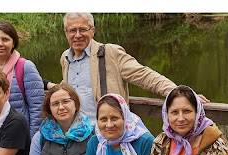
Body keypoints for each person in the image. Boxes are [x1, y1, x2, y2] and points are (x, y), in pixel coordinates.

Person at [55, 13, 183, 125]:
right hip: (77, 133)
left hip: (106, 132)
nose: (77, 35)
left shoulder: (110, 53)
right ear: (66, 33)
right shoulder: (65, 58)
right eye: (72, 30)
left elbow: (143, 75)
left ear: (92, 31)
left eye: (83, 29)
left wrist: (178, 93)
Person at [0, 21, 44, 138]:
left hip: (18, 135)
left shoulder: (25, 67)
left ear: (13, 42)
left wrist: (32, 140)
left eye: (5, 39)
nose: (0, 44)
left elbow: (37, 109)